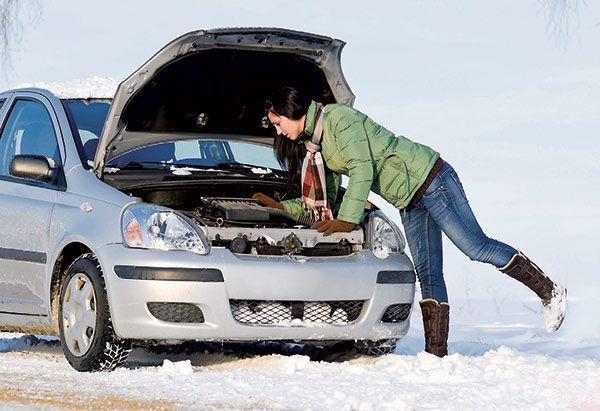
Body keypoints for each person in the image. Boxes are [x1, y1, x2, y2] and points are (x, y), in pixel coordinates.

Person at [253, 86, 567, 357]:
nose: (278, 131)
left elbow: (362, 169)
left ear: (291, 111)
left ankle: (549, 291)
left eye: (278, 123)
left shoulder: (339, 119)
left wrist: (348, 222)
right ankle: (436, 354)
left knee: (475, 246)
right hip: (409, 199)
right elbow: (327, 199)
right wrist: (281, 207)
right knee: (428, 272)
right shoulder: (317, 147)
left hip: (431, 179)